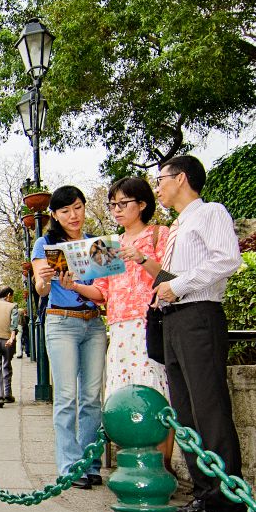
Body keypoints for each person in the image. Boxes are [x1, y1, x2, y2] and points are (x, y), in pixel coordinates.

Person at [151, 155, 247, 512]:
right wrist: (164, 289)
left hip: (199, 316)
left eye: (161, 179)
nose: (158, 187)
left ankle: (228, 502)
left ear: (181, 178)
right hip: (174, 320)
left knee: (210, 410)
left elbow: (227, 259)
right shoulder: (177, 226)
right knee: (185, 412)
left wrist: (177, 285)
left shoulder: (210, 213)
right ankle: (204, 493)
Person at [72, 177, 174, 471]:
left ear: (142, 204)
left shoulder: (160, 234)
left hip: (149, 323)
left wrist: (141, 258)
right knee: (122, 394)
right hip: (118, 327)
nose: (116, 210)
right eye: (112, 204)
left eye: (123, 203)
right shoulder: (107, 246)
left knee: (156, 391)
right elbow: (101, 293)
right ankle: (131, 463)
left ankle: (162, 465)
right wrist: (74, 285)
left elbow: (171, 278)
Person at [31, 185, 107, 490]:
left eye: (77, 207)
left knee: (91, 397)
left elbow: (104, 292)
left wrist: (77, 285)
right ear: (54, 214)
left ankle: (90, 462)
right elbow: (41, 289)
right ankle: (69, 467)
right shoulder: (45, 244)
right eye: (65, 210)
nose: (73, 215)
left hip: (94, 323)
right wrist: (44, 280)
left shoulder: (96, 244)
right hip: (61, 322)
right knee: (66, 396)